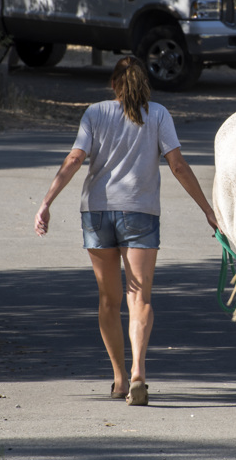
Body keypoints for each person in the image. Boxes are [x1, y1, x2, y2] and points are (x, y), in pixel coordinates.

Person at [34, 56, 218, 406]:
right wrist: (208, 210)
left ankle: (119, 380)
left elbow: (74, 159)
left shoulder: (95, 113)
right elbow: (177, 164)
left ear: (114, 83)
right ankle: (138, 372)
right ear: (143, 83)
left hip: (98, 213)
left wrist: (46, 203)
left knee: (109, 299)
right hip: (140, 213)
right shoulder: (158, 114)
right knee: (141, 299)